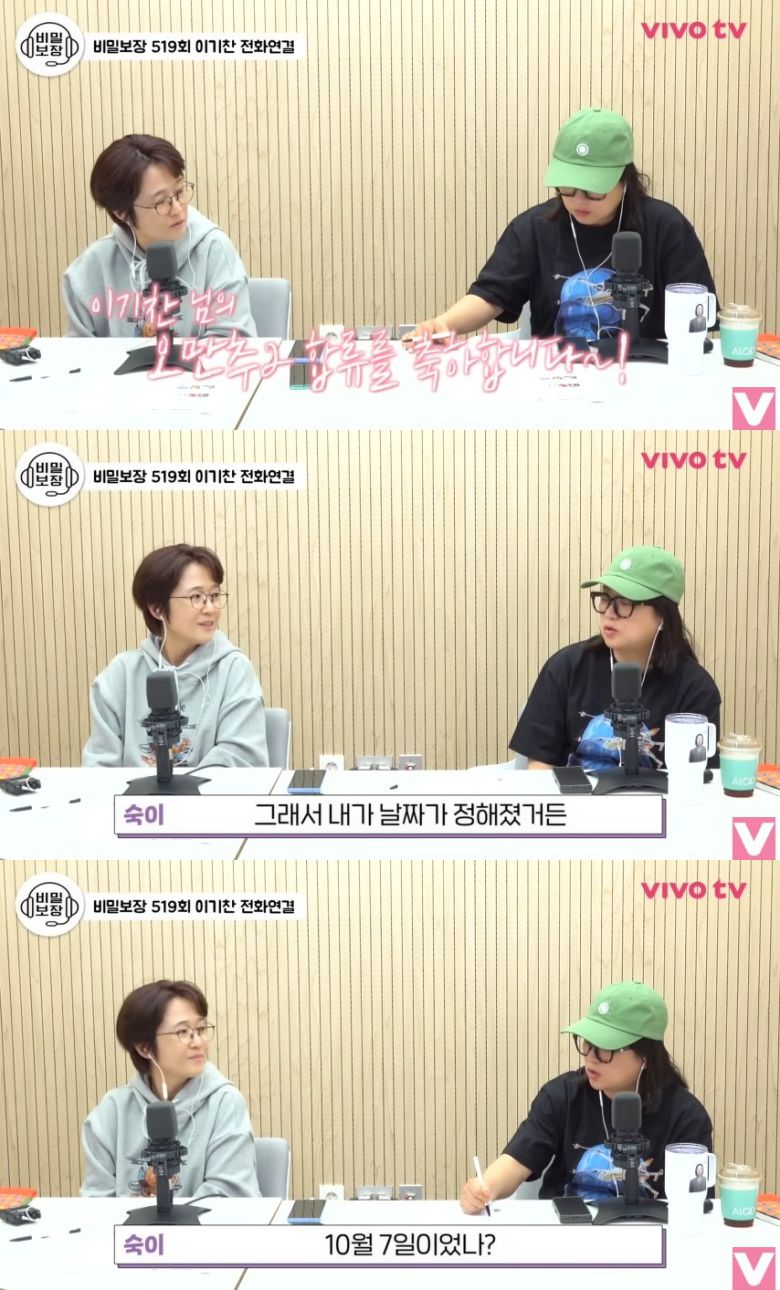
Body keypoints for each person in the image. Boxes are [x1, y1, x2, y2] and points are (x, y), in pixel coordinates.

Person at [406, 108, 717, 343]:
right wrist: (443, 325)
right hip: (557, 376)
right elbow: (490, 295)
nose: (578, 200)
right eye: (567, 187)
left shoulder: (666, 227)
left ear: (625, 179)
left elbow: (698, 311)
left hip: (646, 376)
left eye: (593, 189)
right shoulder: (534, 228)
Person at [460, 981, 713, 1210]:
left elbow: (697, 1203)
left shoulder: (685, 1116)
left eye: (604, 1048)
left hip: (651, 1238)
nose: (591, 1057)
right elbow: (516, 1161)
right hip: (566, 1235)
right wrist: (484, 1188)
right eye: (587, 1042)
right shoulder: (562, 1096)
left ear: (645, 1055)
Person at [508, 545, 721, 771]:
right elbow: (539, 767)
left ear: (663, 615)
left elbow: (698, 777)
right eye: (604, 598)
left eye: (625, 602)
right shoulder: (566, 668)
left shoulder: (694, 689)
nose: (609, 612)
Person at [83, 543, 270, 768]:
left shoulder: (233, 669)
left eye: (214, 595)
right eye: (196, 597)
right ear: (157, 608)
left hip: (211, 792)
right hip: (135, 793)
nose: (210, 608)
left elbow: (242, 761)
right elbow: (99, 767)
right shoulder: (120, 674)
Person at [62, 134, 256, 338]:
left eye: (180, 192)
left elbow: (233, 340)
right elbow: (78, 351)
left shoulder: (213, 250)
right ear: (122, 212)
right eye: (161, 202)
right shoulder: (92, 268)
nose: (178, 209)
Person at [81, 979, 260, 1198]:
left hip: (207, 1222)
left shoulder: (224, 1102)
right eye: (183, 1032)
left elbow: (229, 1196)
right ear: (144, 1047)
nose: (198, 1042)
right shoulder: (112, 1111)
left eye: (201, 1029)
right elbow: (96, 1203)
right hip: (130, 1223)